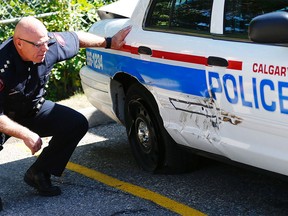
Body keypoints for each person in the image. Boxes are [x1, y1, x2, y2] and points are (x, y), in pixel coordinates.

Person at [0, 16, 131, 199]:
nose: (45, 48)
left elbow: (76, 38)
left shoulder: (46, 46)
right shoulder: (2, 65)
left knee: (75, 123)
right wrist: (25, 134)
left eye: (46, 42)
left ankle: (39, 173)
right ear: (19, 43)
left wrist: (110, 42)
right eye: (38, 45)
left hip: (31, 110)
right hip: (3, 117)